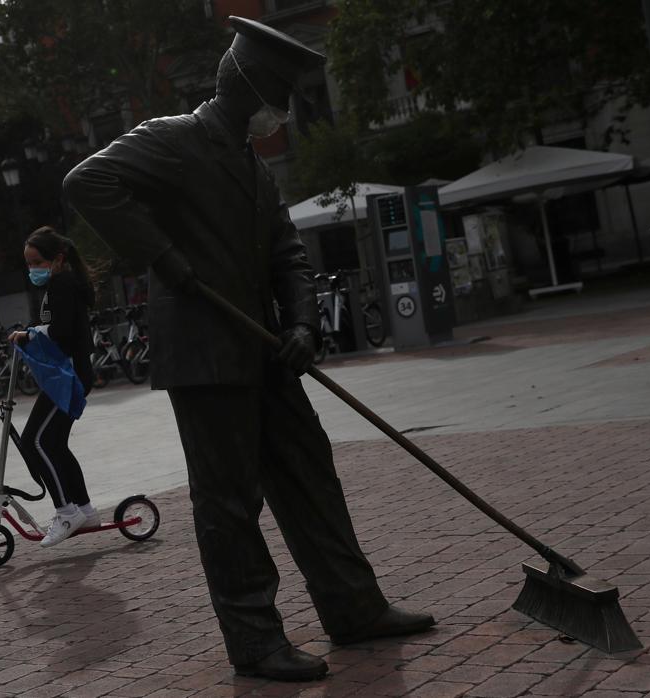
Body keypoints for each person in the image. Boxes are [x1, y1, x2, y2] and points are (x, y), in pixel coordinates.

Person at [63, 16, 434, 682]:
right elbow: (87, 182)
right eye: (279, 97)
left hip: (267, 350)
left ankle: (354, 607)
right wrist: (168, 260)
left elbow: (289, 256)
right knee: (229, 502)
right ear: (248, 84)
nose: (282, 113)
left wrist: (302, 324)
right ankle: (254, 640)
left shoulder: (255, 171)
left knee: (310, 474)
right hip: (205, 356)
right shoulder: (173, 140)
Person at [8, 227, 100, 547]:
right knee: (55, 443)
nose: (32, 269)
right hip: (68, 375)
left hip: (69, 376)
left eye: (36, 262)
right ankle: (85, 510)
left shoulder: (62, 284)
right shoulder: (58, 283)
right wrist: (32, 333)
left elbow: (61, 331)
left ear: (57, 260)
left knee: (36, 441)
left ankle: (66, 511)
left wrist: (29, 334)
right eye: (29, 264)